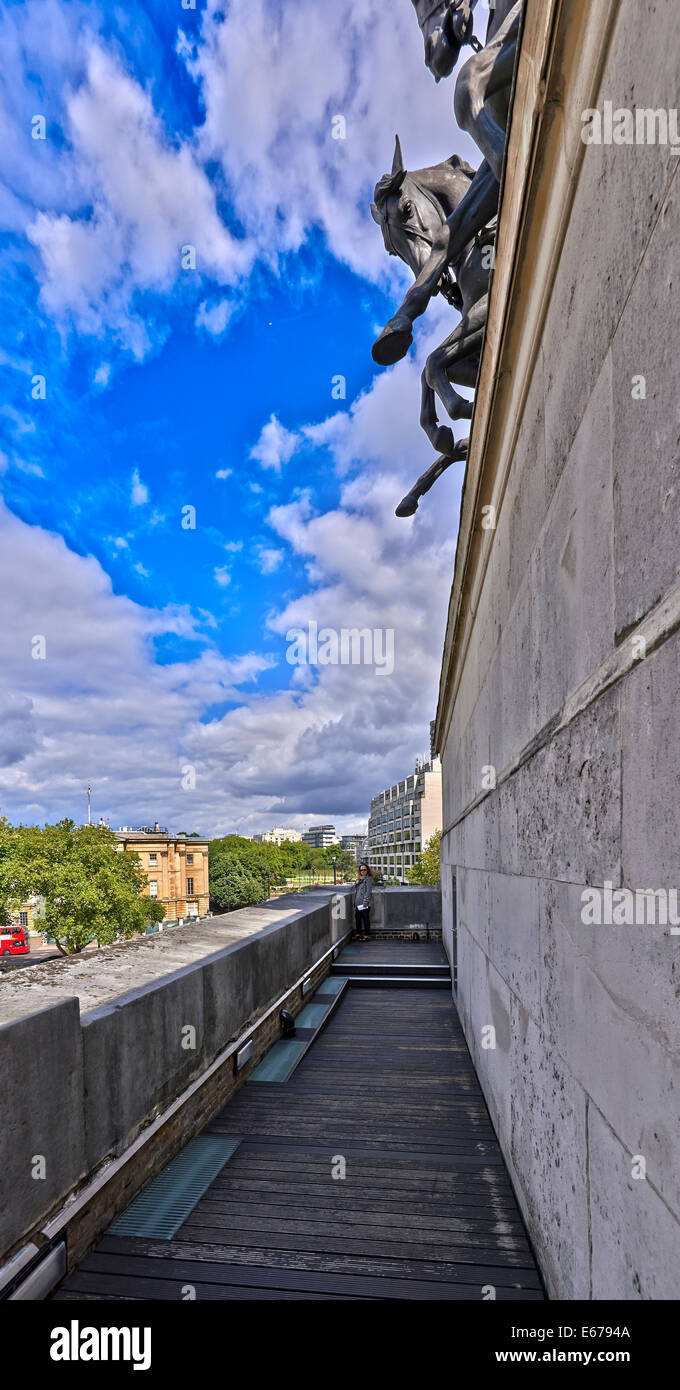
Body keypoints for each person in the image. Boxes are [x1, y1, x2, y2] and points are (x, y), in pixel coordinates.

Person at [353, 862, 375, 940]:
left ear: (367, 870)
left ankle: (367, 935)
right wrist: (356, 883)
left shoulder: (368, 879)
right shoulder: (360, 879)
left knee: (366, 920)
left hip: (364, 903)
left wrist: (365, 902)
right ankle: (358, 934)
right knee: (358, 920)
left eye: (364, 870)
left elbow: (368, 891)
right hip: (358, 903)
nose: (363, 871)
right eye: (361, 870)